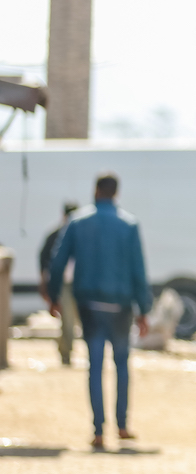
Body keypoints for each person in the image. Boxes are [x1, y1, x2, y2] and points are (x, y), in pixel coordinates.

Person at [49, 174, 152, 450]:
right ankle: (122, 425)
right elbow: (138, 270)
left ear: (95, 190)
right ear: (116, 193)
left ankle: (97, 430)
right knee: (121, 365)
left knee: (94, 366)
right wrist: (144, 310)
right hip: (120, 305)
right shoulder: (129, 225)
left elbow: (58, 261)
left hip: (89, 304)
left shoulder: (78, 222)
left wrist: (53, 296)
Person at [39, 202, 80, 366]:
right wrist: (47, 287)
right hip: (65, 283)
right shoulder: (55, 235)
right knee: (68, 320)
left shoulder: (82, 234)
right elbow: (45, 261)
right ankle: (66, 353)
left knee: (79, 320)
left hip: (81, 283)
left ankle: (65, 347)